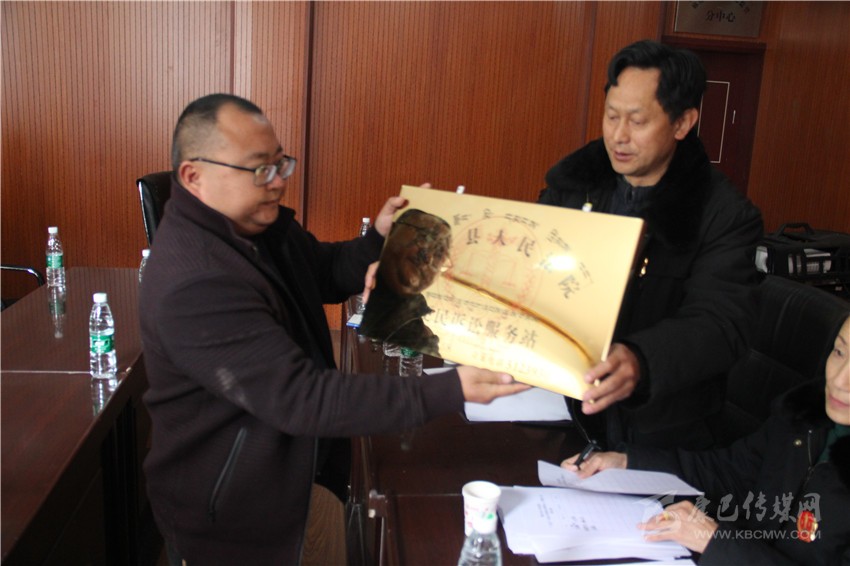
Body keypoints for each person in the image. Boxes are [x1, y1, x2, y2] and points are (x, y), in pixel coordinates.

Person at [138, 93, 529, 564]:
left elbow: (323, 271)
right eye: (260, 169)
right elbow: (303, 398)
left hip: (287, 479)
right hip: (235, 516)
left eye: (281, 164)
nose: (278, 182)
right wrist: (451, 389)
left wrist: (380, 239)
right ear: (193, 176)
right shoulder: (196, 282)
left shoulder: (252, 226)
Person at [537, 39, 764, 450]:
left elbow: (721, 323)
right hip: (562, 407)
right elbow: (534, 263)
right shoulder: (574, 185)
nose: (618, 136)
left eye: (637, 121)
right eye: (611, 116)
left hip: (662, 434)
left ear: (682, 123)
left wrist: (640, 359)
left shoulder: (722, 213)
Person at [561, 314, 850, 564]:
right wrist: (628, 463)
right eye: (839, 352)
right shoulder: (804, 416)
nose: (839, 381)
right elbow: (731, 472)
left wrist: (715, 541)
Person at [358, 208, 451, 355]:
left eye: (439, 252)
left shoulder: (413, 304)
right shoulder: (373, 285)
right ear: (392, 232)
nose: (428, 258)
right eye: (424, 238)